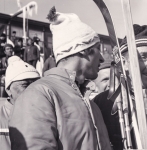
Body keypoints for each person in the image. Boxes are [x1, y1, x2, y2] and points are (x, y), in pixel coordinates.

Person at [9, 9, 111, 150]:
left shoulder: (91, 104)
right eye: (97, 48)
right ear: (83, 48)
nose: (102, 58)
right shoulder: (38, 95)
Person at [0, 55, 40, 150]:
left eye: (37, 85)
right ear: (8, 89)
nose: (32, 90)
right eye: (25, 85)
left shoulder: (47, 114)